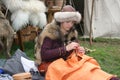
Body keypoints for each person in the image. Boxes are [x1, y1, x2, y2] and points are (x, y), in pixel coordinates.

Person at [35, 5, 120, 80]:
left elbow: (70, 52)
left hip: (67, 62)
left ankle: (110, 78)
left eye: (72, 22)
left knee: (87, 65)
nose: (70, 25)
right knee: (78, 73)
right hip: (51, 65)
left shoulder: (72, 32)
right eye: (67, 22)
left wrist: (78, 50)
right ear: (61, 20)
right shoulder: (50, 31)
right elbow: (44, 55)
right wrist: (66, 48)